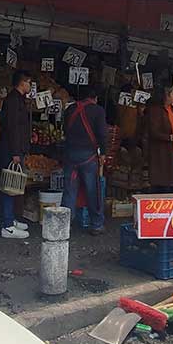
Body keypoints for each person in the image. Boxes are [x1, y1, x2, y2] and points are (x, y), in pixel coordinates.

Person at [62, 86, 107, 234]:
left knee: (69, 190)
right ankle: (97, 224)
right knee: (93, 190)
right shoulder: (98, 110)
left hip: (70, 154)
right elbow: (102, 134)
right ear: (95, 98)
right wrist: (103, 153)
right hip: (88, 156)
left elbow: (64, 130)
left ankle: (65, 225)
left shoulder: (69, 109)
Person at [0, 70, 33, 239]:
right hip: (12, 150)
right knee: (9, 186)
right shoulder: (13, 101)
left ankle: (11, 219)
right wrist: (16, 152)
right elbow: (13, 128)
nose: (30, 86)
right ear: (22, 82)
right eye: (28, 82)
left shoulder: (18, 100)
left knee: (15, 185)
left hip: (14, 148)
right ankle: (8, 225)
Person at [144, 85, 173, 190]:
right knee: (163, 183)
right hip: (162, 151)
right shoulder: (156, 110)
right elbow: (153, 132)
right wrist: (170, 137)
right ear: (167, 95)